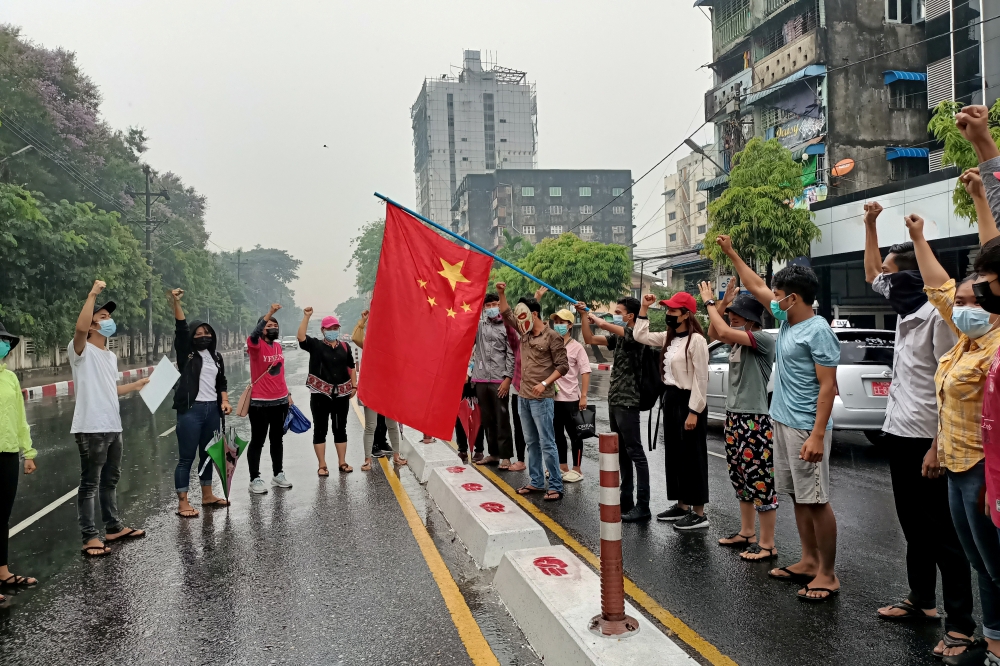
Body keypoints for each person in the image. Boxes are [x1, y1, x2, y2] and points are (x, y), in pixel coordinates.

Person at [862, 202, 976, 654]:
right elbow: (873, 269)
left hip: (931, 442)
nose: (883, 280)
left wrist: (936, 447)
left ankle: (962, 623)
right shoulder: (904, 309)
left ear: (910, 278)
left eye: (891, 273)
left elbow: (949, 387)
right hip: (899, 433)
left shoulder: (940, 318)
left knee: (945, 535)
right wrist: (870, 225)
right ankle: (921, 601)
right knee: (913, 525)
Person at [719, 236, 841, 602]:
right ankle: (807, 561)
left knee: (817, 500)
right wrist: (731, 253)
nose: (772, 297)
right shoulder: (789, 322)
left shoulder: (818, 330)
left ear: (795, 297)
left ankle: (828, 574)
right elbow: (754, 285)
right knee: (797, 497)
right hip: (783, 421)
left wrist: (817, 434)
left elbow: (827, 387)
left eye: (778, 293)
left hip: (807, 426)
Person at [908, 188, 1000, 660]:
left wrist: (982, 200)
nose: (963, 305)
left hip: (988, 470)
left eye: (976, 297)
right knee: (980, 562)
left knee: (997, 565)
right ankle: (992, 642)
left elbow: (997, 262)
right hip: (958, 467)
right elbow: (940, 287)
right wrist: (919, 238)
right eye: (961, 299)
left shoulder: (996, 340)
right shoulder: (964, 339)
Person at [70, 280, 150, 557]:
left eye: (109, 317)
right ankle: (89, 536)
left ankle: (113, 527)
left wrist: (136, 386)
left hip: (112, 425)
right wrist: (92, 293)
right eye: (102, 317)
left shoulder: (109, 356)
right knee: (90, 482)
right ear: (92, 326)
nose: (109, 321)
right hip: (91, 427)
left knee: (110, 480)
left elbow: (109, 389)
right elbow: (80, 328)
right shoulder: (80, 350)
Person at [699, 279, 777, 555]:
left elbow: (719, 329)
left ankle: (767, 544)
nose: (730, 318)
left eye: (735, 313)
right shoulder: (736, 340)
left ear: (750, 318)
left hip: (754, 419)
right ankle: (747, 532)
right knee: (741, 477)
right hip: (734, 416)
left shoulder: (763, 338)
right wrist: (721, 304)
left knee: (760, 479)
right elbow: (714, 331)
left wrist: (710, 303)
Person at [633, 292, 710, 531]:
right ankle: (681, 505)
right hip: (671, 400)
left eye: (673, 311)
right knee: (675, 455)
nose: (668, 315)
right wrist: (644, 308)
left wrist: (694, 411)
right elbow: (640, 335)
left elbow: (700, 379)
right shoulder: (669, 337)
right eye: (667, 310)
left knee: (693, 456)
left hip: (689, 402)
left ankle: (699, 513)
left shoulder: (696, 340)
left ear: (686, 314)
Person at [577, 296, 653, 522]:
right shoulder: (618, 338)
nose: (615, 315)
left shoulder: (636, 334)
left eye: (618, 312)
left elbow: (602, 325)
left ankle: (643, 505)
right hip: (615, 399)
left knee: (635, 453)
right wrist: (583, 315)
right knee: (622, 452)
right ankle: (626, 499)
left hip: (628, 401)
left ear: (630, 316)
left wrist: (597, 319)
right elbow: (590, 338)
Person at [498, 282, 567, 501]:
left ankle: (555, 485)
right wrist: (501, 293)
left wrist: (545, 383)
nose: (518, 319)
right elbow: (506, 312)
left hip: (542, 398)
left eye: (523, 315)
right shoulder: (524, 333)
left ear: (533, 314)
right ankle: (536, 482)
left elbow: (562, 366)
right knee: (531, 442)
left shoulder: (552, 337)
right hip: (523, 397)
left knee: (547, 442)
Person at [169, 289, 232, 518]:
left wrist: (224, 401)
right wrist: (176, 303)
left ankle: (207, 495)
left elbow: (221, 381)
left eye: (207, 332)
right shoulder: (186, 353)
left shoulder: (216, 357)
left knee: (208, 454)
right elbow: (181, 328)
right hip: (191, 411)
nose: (203, 335)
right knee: (186, 457)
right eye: (199, 332)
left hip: (213, 411)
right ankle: (183, 501)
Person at [0, 321, 38, 594]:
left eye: (4, 341)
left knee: (3, 516)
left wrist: (29, 453)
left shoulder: (10, 378)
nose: (3, 345)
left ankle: (3, 572)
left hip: (9, 454)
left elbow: (21, 419)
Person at [298, 308, 357, 476]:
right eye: (329, 329)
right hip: (320, 395)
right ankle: (322, 465)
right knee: (320, 429)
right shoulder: (316, 345)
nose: (332, 331)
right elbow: (301, 337)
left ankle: (342, 462)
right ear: (323, 330)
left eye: (335, 328)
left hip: (342, 395)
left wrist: (354, 386)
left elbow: (351, 367)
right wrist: (306, 317)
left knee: (340, 428)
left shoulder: (344, 347)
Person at [350, 309, 406, 470]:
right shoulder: (369, 344)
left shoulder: (395, 346)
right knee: (370, 426)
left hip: (389, 392)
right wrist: (363, 321)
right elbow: (355, 337)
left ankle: (396, 455)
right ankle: (367, 459)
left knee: (392, 425)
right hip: (371, 390)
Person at [246, 303, 293, 494]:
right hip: (259, 403)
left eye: (276, 326)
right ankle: (254, 478)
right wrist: (270, 313)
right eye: (269, 326)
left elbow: (280, 374)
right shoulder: (256, 346)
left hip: (280, 401)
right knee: (258, 440)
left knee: (277, 439)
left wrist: (288, 395)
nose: (273, 329)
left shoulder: (277, 347)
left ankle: (278, 474)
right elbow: (254, 335)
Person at [470, 292, 516, 468]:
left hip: (499, 380)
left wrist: (507, 378)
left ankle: (506, 456)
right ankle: (493, 453)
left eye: (494, 305)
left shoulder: (507, 327)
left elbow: (511, 354)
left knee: (502, 418)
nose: (491, 309)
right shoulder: (479, 327)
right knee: (487, 419)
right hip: (481, 379)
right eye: (487, 306)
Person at [551, 308, 590, 482]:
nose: (558, 325)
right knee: (557, 434)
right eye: (556, 322)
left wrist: (583, 396)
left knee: (575, 435)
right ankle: (562, 466)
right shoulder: (552, 343)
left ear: (570, 325)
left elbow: (585, 371)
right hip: (553, 398)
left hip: (571, 399)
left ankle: (577, 468)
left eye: (562, 322)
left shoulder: (577, 347)